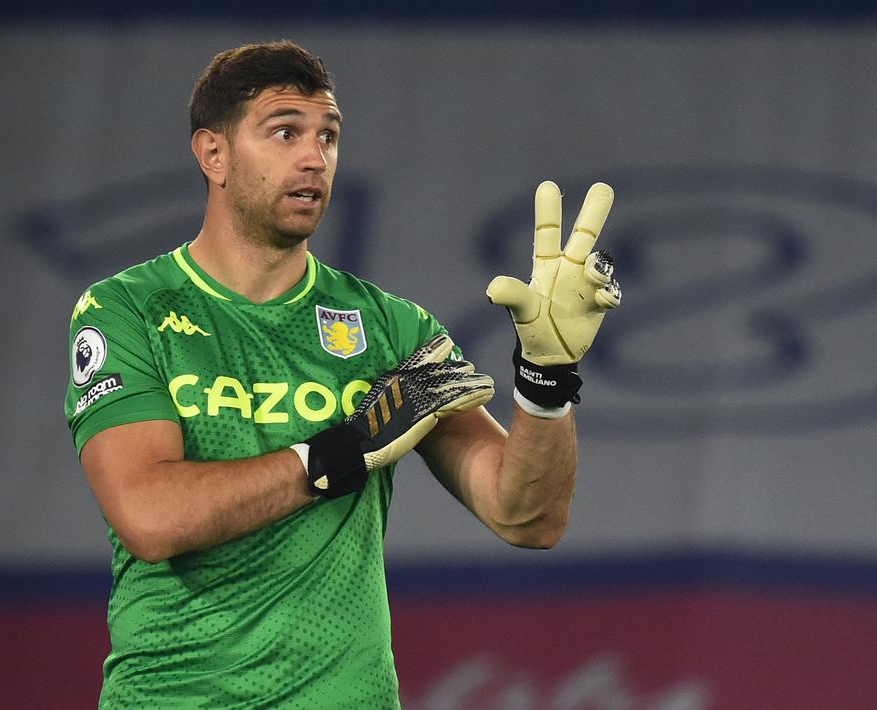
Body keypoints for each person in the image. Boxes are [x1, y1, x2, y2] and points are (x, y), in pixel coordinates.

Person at [64, 40, 621, 709]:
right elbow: (150, 516)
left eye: (327, 136)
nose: (313, 157)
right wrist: (341, 452)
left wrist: (546, 378)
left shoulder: (391, 329)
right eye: (284, 132)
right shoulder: (128, 308)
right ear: (213, 154)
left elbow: (525, 517)